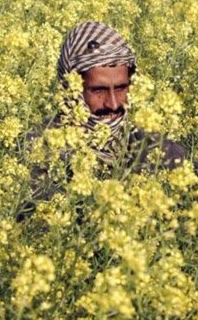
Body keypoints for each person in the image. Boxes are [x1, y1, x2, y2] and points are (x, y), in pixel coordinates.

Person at [22, 21, 188, 213]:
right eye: (98, 90)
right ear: (71, 90)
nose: (113, 104)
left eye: (121, 88)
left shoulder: (158, 150)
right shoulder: (40, 150)